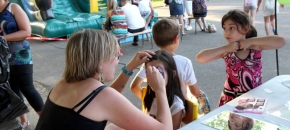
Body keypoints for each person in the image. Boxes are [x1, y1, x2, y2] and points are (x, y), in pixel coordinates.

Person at [36, 29, 173, 130]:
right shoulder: (103, 96)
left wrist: (129, 68)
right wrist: (160, 89)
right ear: (100, 61)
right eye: (116, 55)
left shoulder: (63, 83)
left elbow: (106, 97)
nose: (117, 61)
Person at [195, 9, 286, 107]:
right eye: (224, 28)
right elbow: (200, 58)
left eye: (232, 28)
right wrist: (225, 48)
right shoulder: (227, 51)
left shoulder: (255, 48)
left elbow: (281, 41)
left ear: (245, 29)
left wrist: (250, 41)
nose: (227, 33)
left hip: (254, 99)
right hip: (230, 99)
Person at [131, 19, 210, 115]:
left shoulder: (150, 61)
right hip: (177, 111)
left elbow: (134, 86)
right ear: (176, 39)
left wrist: (152, 101)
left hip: (154, 113)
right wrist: (201, 96)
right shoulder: (185, 62)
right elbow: (195, 91)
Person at [0, 0, 44, 129]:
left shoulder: (13, 7)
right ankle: (24, 121)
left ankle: (47, 120)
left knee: (27, 88)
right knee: (11, 89)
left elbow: (26, 31)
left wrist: (2, 39)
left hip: (20, 54)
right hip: (2, 57)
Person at [139, 50, 186, 129]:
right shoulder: (150, 95)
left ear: (172, 74)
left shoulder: (176, 105)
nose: (153, 77)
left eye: (158, 72)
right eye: (149, 72)